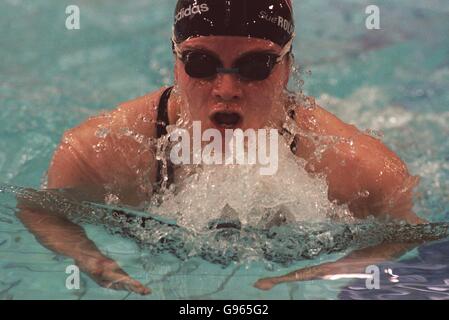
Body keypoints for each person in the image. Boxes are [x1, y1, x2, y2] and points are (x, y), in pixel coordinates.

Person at [17, 0, 424, 295]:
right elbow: (40, 210)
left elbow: (408, 232)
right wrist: (89, 258)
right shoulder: (100, 152)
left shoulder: (358, 167)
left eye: (254, 67)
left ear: (287, 68)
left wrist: (338, 268)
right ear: (175, 63)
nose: (226, 90)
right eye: (200, 63)